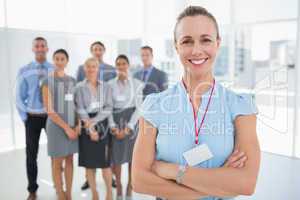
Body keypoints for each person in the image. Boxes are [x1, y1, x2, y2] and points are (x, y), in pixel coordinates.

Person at [132, 6, 260, 200]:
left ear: (218, 43)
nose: (196, 50)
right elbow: (140, 180)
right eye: (187, 41)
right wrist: (220, 184)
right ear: (176, 46)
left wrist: (174, 171)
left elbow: (246, 183)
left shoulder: (240, 106)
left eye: (206, 40)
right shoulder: (155, 106)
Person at [16, 37, 54, 200]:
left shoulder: (54, 69)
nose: (40, 48)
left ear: (47, 48)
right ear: (33, 49)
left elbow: (59, 95)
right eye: (36, 46)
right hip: (32, 118)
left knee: (56, 153)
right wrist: (25, 118)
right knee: (31, 155)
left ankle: (58, 184)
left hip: (51, 118)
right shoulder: (24, 70)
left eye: (42, 46)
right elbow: (19, 96)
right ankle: (32, 189)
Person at [76, 41, 117, 190]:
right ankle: (89, 181)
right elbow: (79, 107)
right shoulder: (80, 83)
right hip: (86, 120)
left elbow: (109, 105)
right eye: (89, 67)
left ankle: (109, 181)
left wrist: (93, 121)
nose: (91, 69)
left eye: (94, 67)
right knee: (88, 157)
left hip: (102, 119)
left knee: (105, 156)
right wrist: (89, 124)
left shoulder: (109, 76)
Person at [41, 49, 79, 200]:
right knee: (57, 161)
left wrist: (77, 126)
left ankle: (69, 193)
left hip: (72, 125)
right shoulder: (47, 81)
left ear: (66, 61)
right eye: (56, 58)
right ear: (53, 60)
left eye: (62, 59)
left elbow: (76, 105)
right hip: (57, 127)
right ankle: (60, 194)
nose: (59, 61)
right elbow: (50, 110)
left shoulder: (72, 81)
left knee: (70, 160)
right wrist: (67, 129)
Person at [108, 55, 144, 200]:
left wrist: (129, 127)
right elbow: (107, 107)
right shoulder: (110, 84)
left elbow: (139, 108)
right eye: (118, 64)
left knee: (131, 157)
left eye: (123, 63)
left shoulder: (137, 84)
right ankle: (119, 188)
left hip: (131, 121)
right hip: (115, 121)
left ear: (128, 65)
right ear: (116, 67)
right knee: (116, 158)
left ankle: (130, 186)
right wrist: (112, 126)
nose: (121, 66)